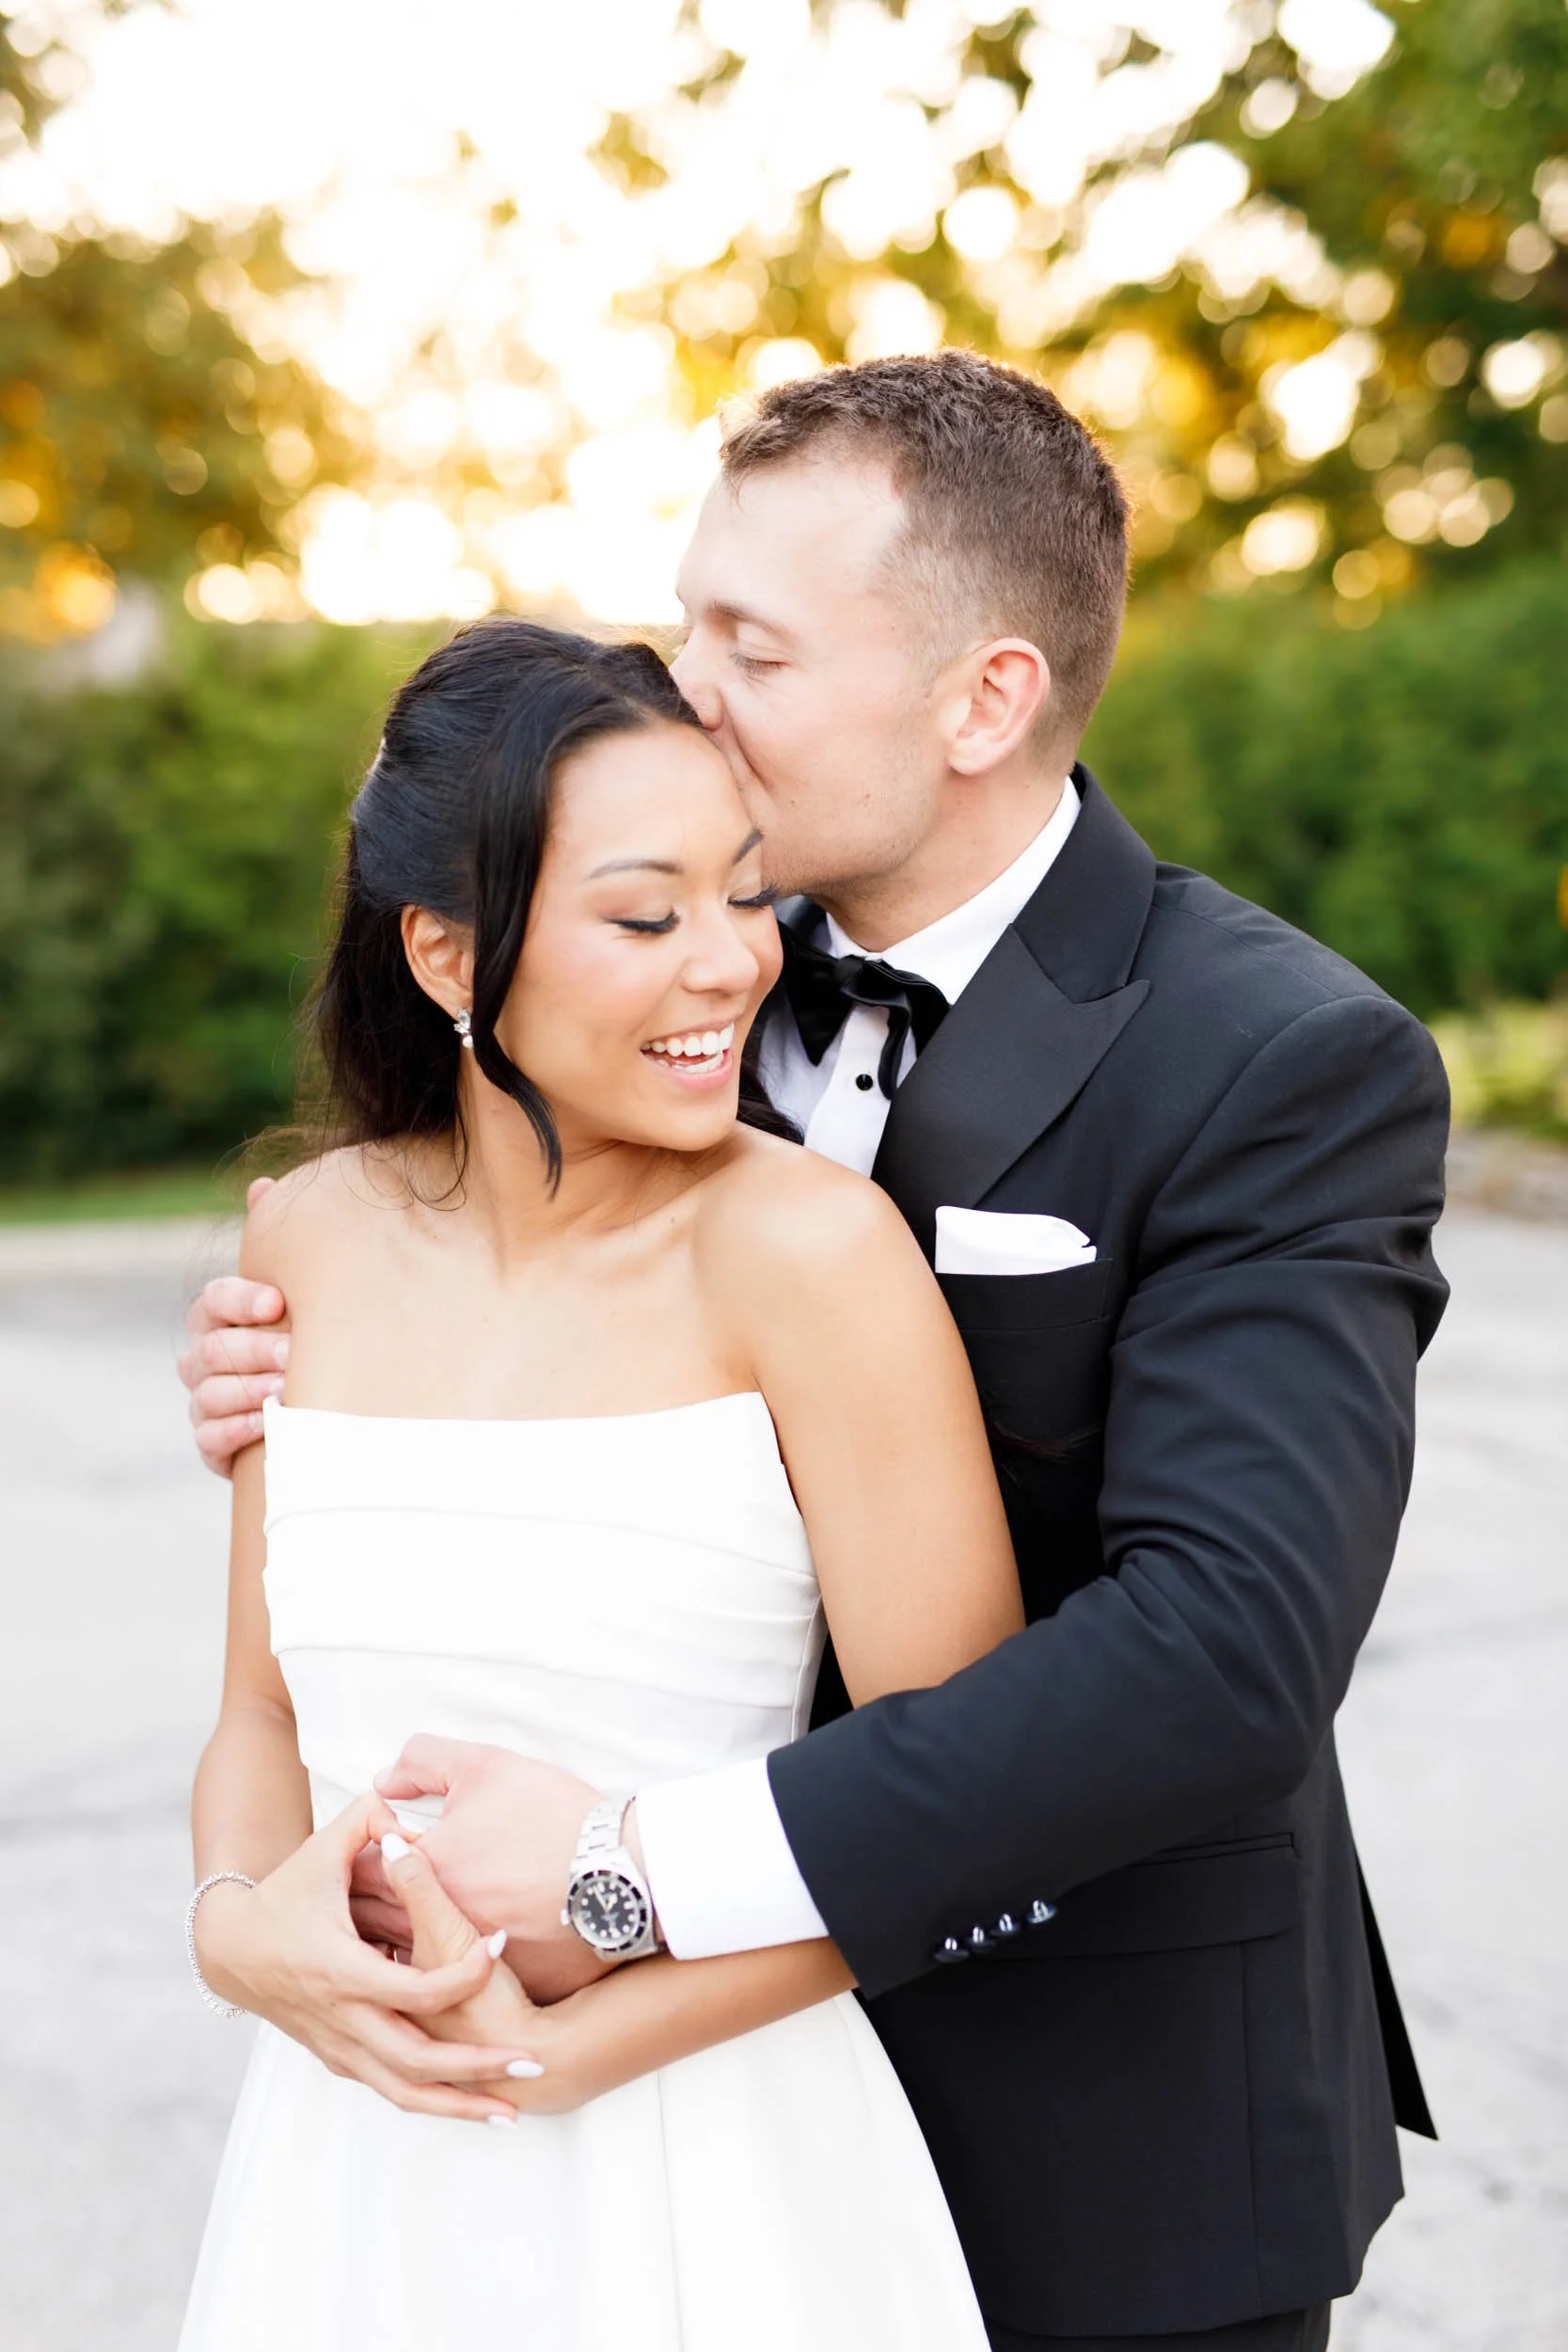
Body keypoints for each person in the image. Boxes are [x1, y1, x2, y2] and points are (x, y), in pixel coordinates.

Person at [182, 353, 1450, 2352]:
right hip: (531, 2127)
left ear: (980, 697)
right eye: (686, 618)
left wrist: (621, 1874)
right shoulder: (659, 986)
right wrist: (330, 1411)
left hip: (1095, 2118)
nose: (685, 690)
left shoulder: (1276, 1059)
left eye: (748, 646)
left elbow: (1221, 1646)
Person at [179, 619, 1022, 2350]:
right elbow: (260, 1722)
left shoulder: (810, 1255)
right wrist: (235, 1934)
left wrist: (566, 2055)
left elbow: (963, 1809)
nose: (728, 966)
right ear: (444, 954)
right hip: (351, 2177)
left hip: (720, 2168)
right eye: (646, 917)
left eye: (743, 895)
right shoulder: (303, 1241)